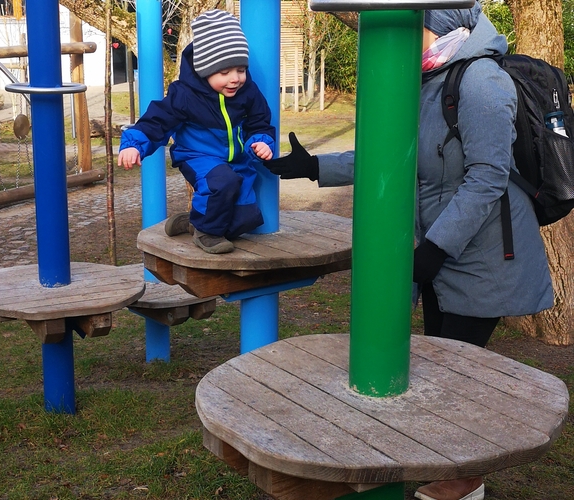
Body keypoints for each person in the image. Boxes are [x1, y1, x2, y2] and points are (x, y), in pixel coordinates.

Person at [264, 4, 553, 500]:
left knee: (458, 369)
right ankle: (446, 462)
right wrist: (314, 167)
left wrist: (437, 247)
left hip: (484, 253)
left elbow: (487, 178)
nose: (396, 31)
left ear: (440, 27)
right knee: (438, 359)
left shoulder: (481, 81)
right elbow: (393, 155)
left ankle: (466, 478)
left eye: (410, 22)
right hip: (442, 249)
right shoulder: (427, 77)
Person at [118, 9, 275, 254]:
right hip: (197, 156)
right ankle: (206, 233)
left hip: (236, 159)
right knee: (222, 182)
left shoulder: (248, 92)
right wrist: (133, 144)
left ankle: (194, 222)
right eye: (224, 72)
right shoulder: (185, 95)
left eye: (241, 70)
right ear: (205, 70)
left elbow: (260, 122)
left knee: (246, 219)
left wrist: (261, 141)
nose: (235, 79)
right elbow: (157, 121)